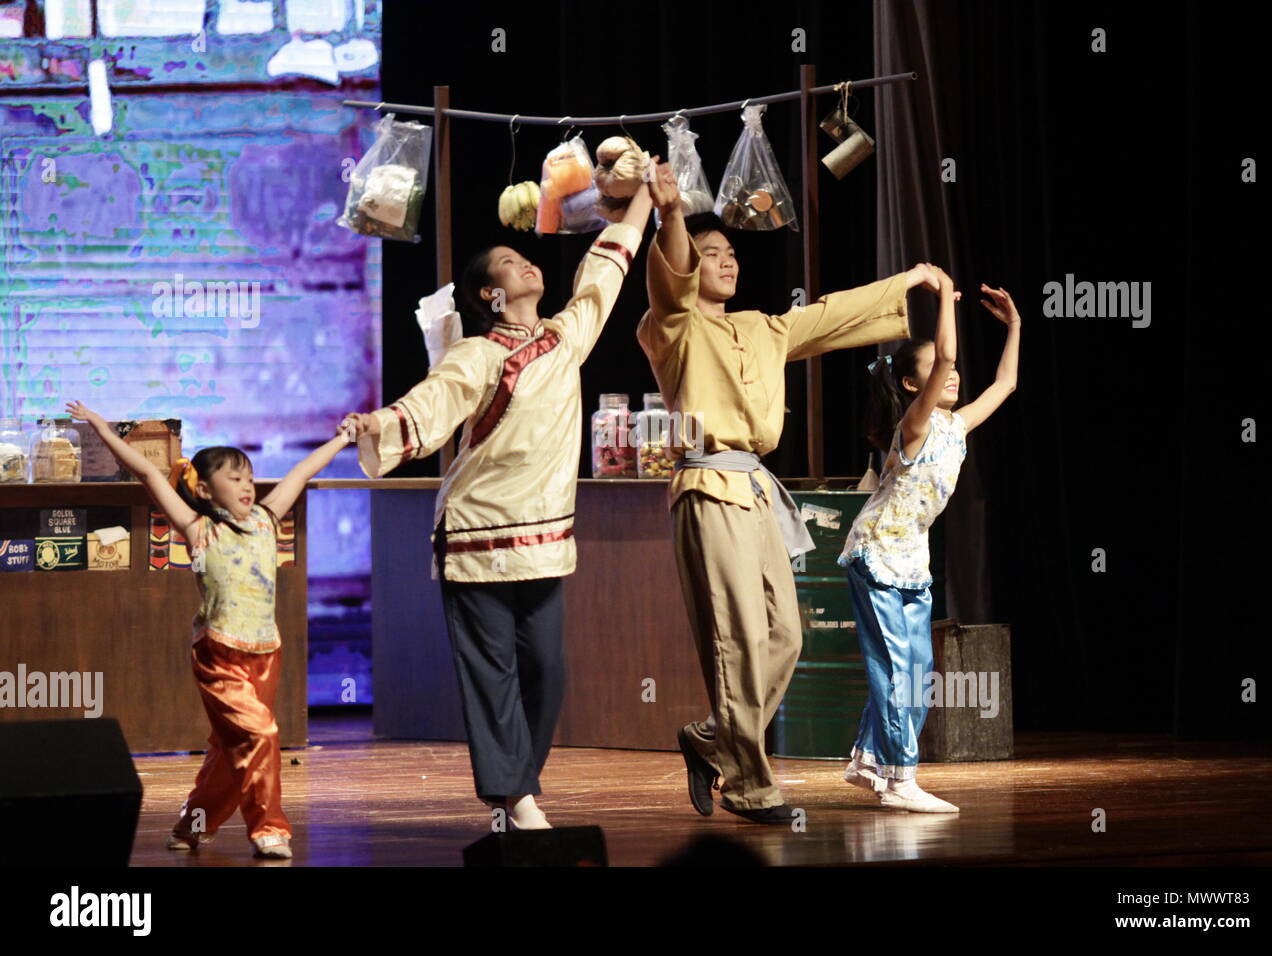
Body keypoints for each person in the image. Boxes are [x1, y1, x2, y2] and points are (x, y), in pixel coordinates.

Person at [346, 174, 658, 831]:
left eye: (523, 256)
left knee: (547, 667)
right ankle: (515, 796)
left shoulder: (565, 338)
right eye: (510, 264)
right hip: (477, 532)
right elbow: (432, 403)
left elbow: (606, 274)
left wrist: (646, 201)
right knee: (493, 675)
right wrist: (380, 425)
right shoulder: (476, 355)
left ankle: (518, 785)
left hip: (544, 536)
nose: (525, 262)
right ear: (492, 294)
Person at [637, 166, 937, 823]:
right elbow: (670, 281)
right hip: (709, 484)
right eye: (710, 254)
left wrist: (906, 283)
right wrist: (670, 218)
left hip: (755, 490)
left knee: (786, 637)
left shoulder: (764, 328)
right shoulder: (673, 326)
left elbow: (829, 316)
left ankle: (713, 738)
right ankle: (748, 782)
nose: (726, 261)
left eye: (732, 253)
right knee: (737, 638)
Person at [66, 400, 352, 858]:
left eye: (249, 476)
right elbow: (148, 474)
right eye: (233, 477)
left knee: (228, 751)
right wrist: (101, 426)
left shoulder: (265, 520)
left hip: (266, 653)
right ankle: (269, 828)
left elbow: (299, 473)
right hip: (219, 656)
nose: (246, 484)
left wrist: (343, 438)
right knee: (261, 735)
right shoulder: (198, 529)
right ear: (203, 489)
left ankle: (192, 826)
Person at [839, 276, 1021, 812]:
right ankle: (899, 780)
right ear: (913, 384)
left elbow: (1005, 385)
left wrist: (1015, 326)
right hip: (876, 555)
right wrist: (944, 299)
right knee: (902, 669)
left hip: (911, 560)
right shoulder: (914, 426)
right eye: (939, 371)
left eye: (955, 372)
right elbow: (945, 353)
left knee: (918, 668)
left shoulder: (954, 427)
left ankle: (869, 759)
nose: (954, 374)